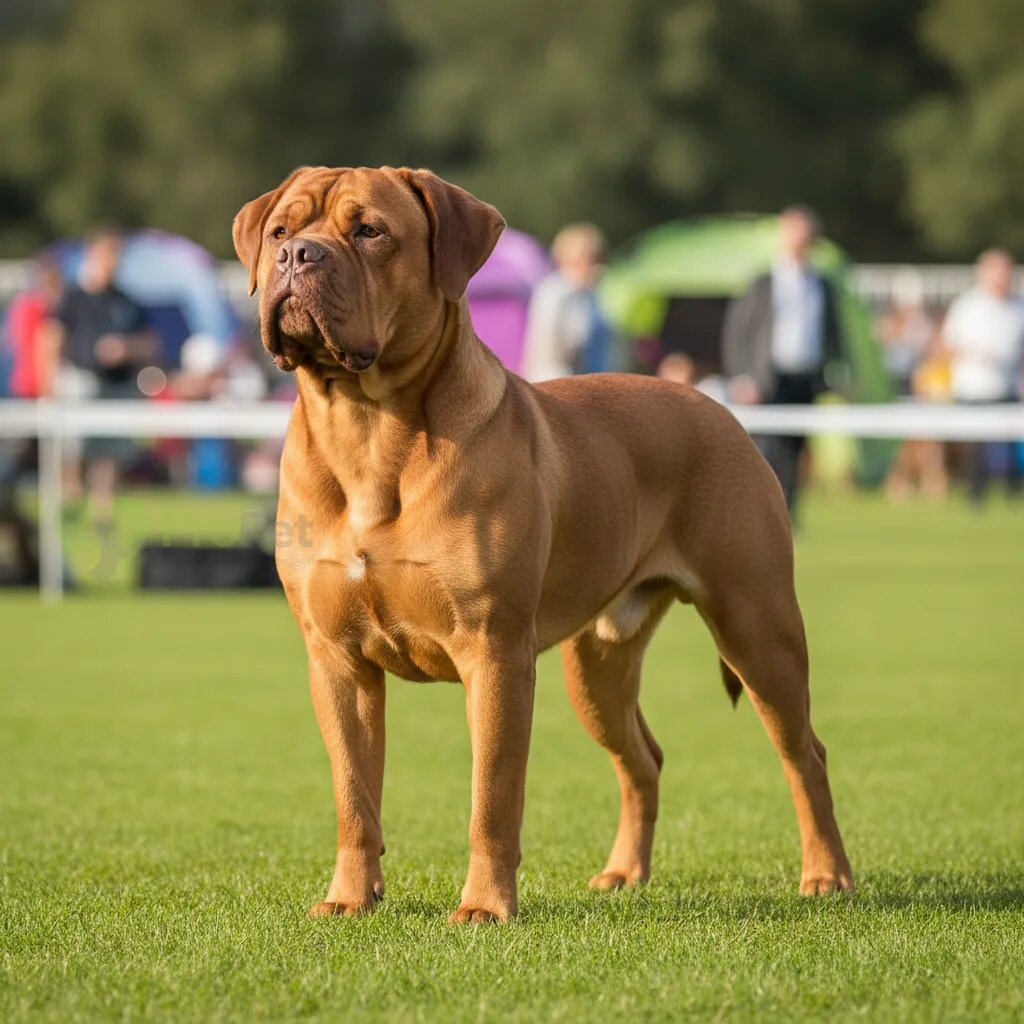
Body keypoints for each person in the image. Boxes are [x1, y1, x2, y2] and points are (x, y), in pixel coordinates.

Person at [721, 205, 844, 517]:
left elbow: (834, 334)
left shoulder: (822, 284)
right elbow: (738, 333)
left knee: (796, 449)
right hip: (767, 376)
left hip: (805, 375)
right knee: (765, 448)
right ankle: (762, 513)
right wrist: (742, 376)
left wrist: (836, 372)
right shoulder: (763, 283)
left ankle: (789, 515)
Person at [48, 227, 157, 529]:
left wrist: (126, 349)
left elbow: (148, 343)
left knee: (109, 452)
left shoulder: (127, 300)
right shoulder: (73, 298)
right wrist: (49, 382)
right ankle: (69, 497)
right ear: (93, 256)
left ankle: (101, 510)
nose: (113, 262)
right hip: (79, 380)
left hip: (117, 384)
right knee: (72, 447)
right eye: (108, 255)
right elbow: (53, 338)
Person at [942, 248, 1024, 503]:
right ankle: (975, 496)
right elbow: (948, 343)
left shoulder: (1018, 306)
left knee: (1011, 445)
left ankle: (1013, 496)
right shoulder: (968, 305)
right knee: (974, 446)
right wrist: (975, 354)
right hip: (973, 386)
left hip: (1008, 385)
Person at [522, 223, 613, 381]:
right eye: (586, 258)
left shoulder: (597, 293)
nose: (592, 265)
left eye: (595, 258)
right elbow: (549, 351)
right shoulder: (553, 293)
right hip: (556, 381)